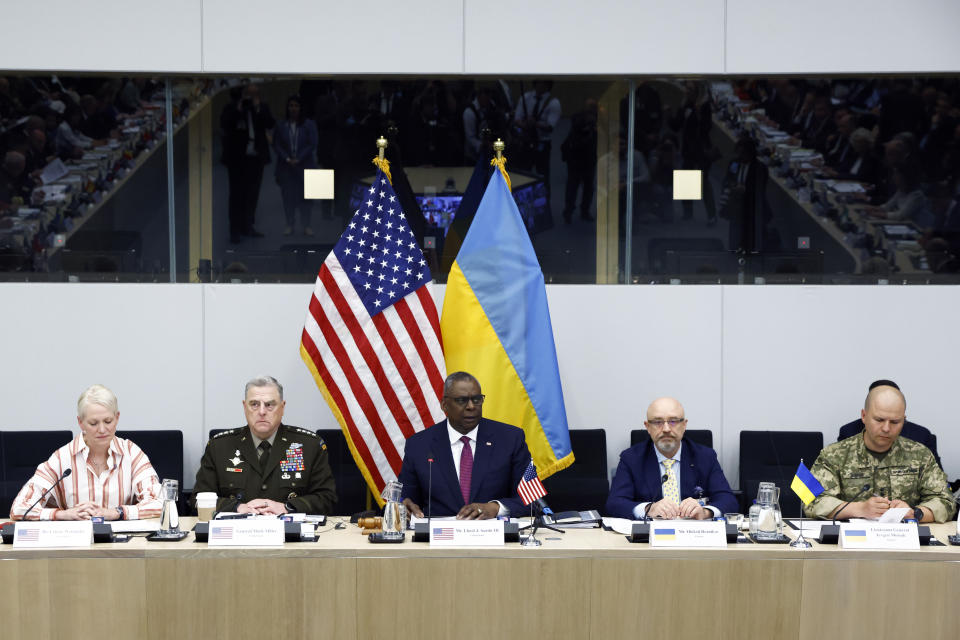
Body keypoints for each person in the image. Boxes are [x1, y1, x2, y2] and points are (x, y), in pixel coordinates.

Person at [804, 384, 955, 523]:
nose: (886, 428)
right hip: (849, 543)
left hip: (905, 542)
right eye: (879, 420)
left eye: (895, 422)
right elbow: (810, 501)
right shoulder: (833, 454)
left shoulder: (921, 455)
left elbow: (947, 502)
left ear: (904, 420)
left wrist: (915, 513)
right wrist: (860, 509)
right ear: (864, 416)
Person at [10, 385, 162, 521]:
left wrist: (117, 512)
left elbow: (159, 503)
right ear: (80, 422)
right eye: (93, 423)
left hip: (121, 546)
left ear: (117, 418)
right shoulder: (62, 458)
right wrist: (62, 514)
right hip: (74, 547)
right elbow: (19, 508)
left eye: (108, 421)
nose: (102, 430)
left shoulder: (132, 453)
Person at [192, 375, 336, 515]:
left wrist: (287, 507)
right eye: (254, 404)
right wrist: (236, 507)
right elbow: (197, 499)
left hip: (291, 535)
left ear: (282, 407)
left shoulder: (309, 446)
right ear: (244, 407)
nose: (262, 412)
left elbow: (327, 499)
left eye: (269, 405)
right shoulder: (220, 447)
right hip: (235, 535)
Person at [399, 372, 531, 519]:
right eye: (462, 400)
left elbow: (531, 500)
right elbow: (405, 500)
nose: (471, 406)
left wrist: (495, 507)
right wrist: (403, 507)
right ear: (444, 405)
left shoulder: (510, 439)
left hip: (493, 537)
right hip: (439, 538)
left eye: (477, 399)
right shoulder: (419, 445)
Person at [605, 397, 737, 520]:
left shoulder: (705, 457)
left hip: (694, 535)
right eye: (658, 422)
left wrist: (705, 512)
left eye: (673, 421)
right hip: (649, 539)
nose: (666, 429)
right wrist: (648, 508)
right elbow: (614, 504)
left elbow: (728, 501)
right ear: (648, 427)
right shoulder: (632, 458)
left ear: (684, 425)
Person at [220, 83, 275, 243]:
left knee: (252, 194)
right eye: (248, 95)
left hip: (256, 157)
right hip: (237, 159)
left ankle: (248, 226)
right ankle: (235, 230)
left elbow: (270, 123)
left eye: (254, 95)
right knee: (237, 195)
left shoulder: (261, 107)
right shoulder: (231, 108)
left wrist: (257, 107)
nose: (251, 98)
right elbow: (225, 124)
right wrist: (238, 108)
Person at [272, 95, 318, 236]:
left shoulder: (309, 124)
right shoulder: (281, 125)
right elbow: (276, 144)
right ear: (287, 108)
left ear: (300, 108)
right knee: (288, 197)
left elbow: (312, 143)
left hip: (305, 165)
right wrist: (287, 158)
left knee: (306, 198)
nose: (293, 108)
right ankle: (289, 224)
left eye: (296, 106)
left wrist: (299, 158)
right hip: (286, 166)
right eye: (291, 105)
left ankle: (306, 226)